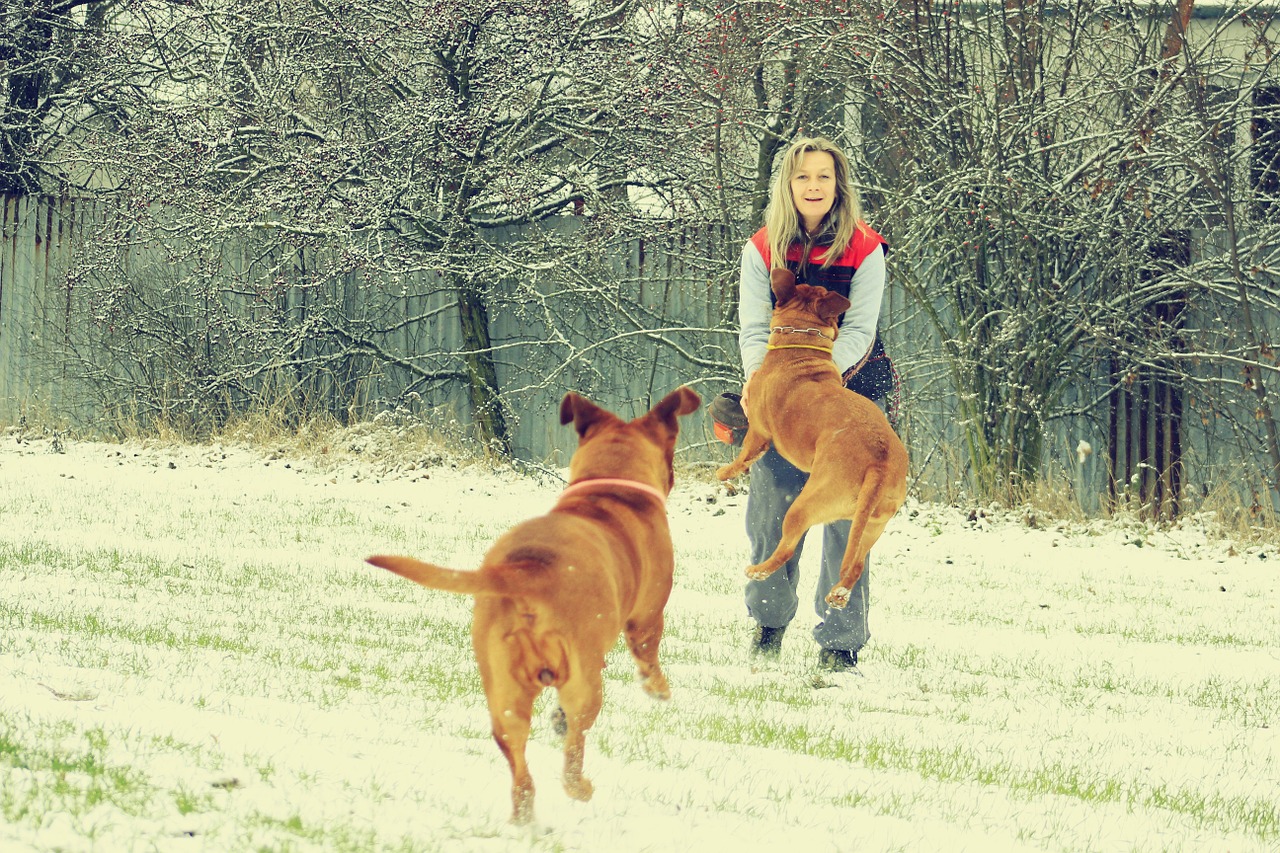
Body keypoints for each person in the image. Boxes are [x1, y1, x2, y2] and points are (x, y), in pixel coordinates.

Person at [729, 135, 897, 672]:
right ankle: (768, 625)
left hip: (854, 388)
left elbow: (861, 330)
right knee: (773, 508)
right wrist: (761, 377)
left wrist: (822, 380)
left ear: (838, 184)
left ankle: (841, 644)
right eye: (803, 176)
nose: (814, 186)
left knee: (849, 515)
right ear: (788, 185)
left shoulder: (866, 249)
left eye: (824, 176)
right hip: (782, 397)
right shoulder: (761, 248)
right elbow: (755, 327)